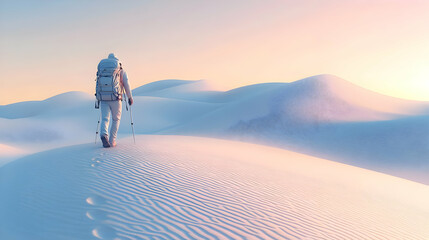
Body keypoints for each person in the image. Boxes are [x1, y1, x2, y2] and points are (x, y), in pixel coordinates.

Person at [96, 53, 133, 148]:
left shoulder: (102, 69)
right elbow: (126, 84)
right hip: (116, 98)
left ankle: (104, 135)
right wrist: (130, 97)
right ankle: (112, 141)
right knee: (116, 119)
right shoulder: (120, 69)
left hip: (103, 97)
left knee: (105, 118)